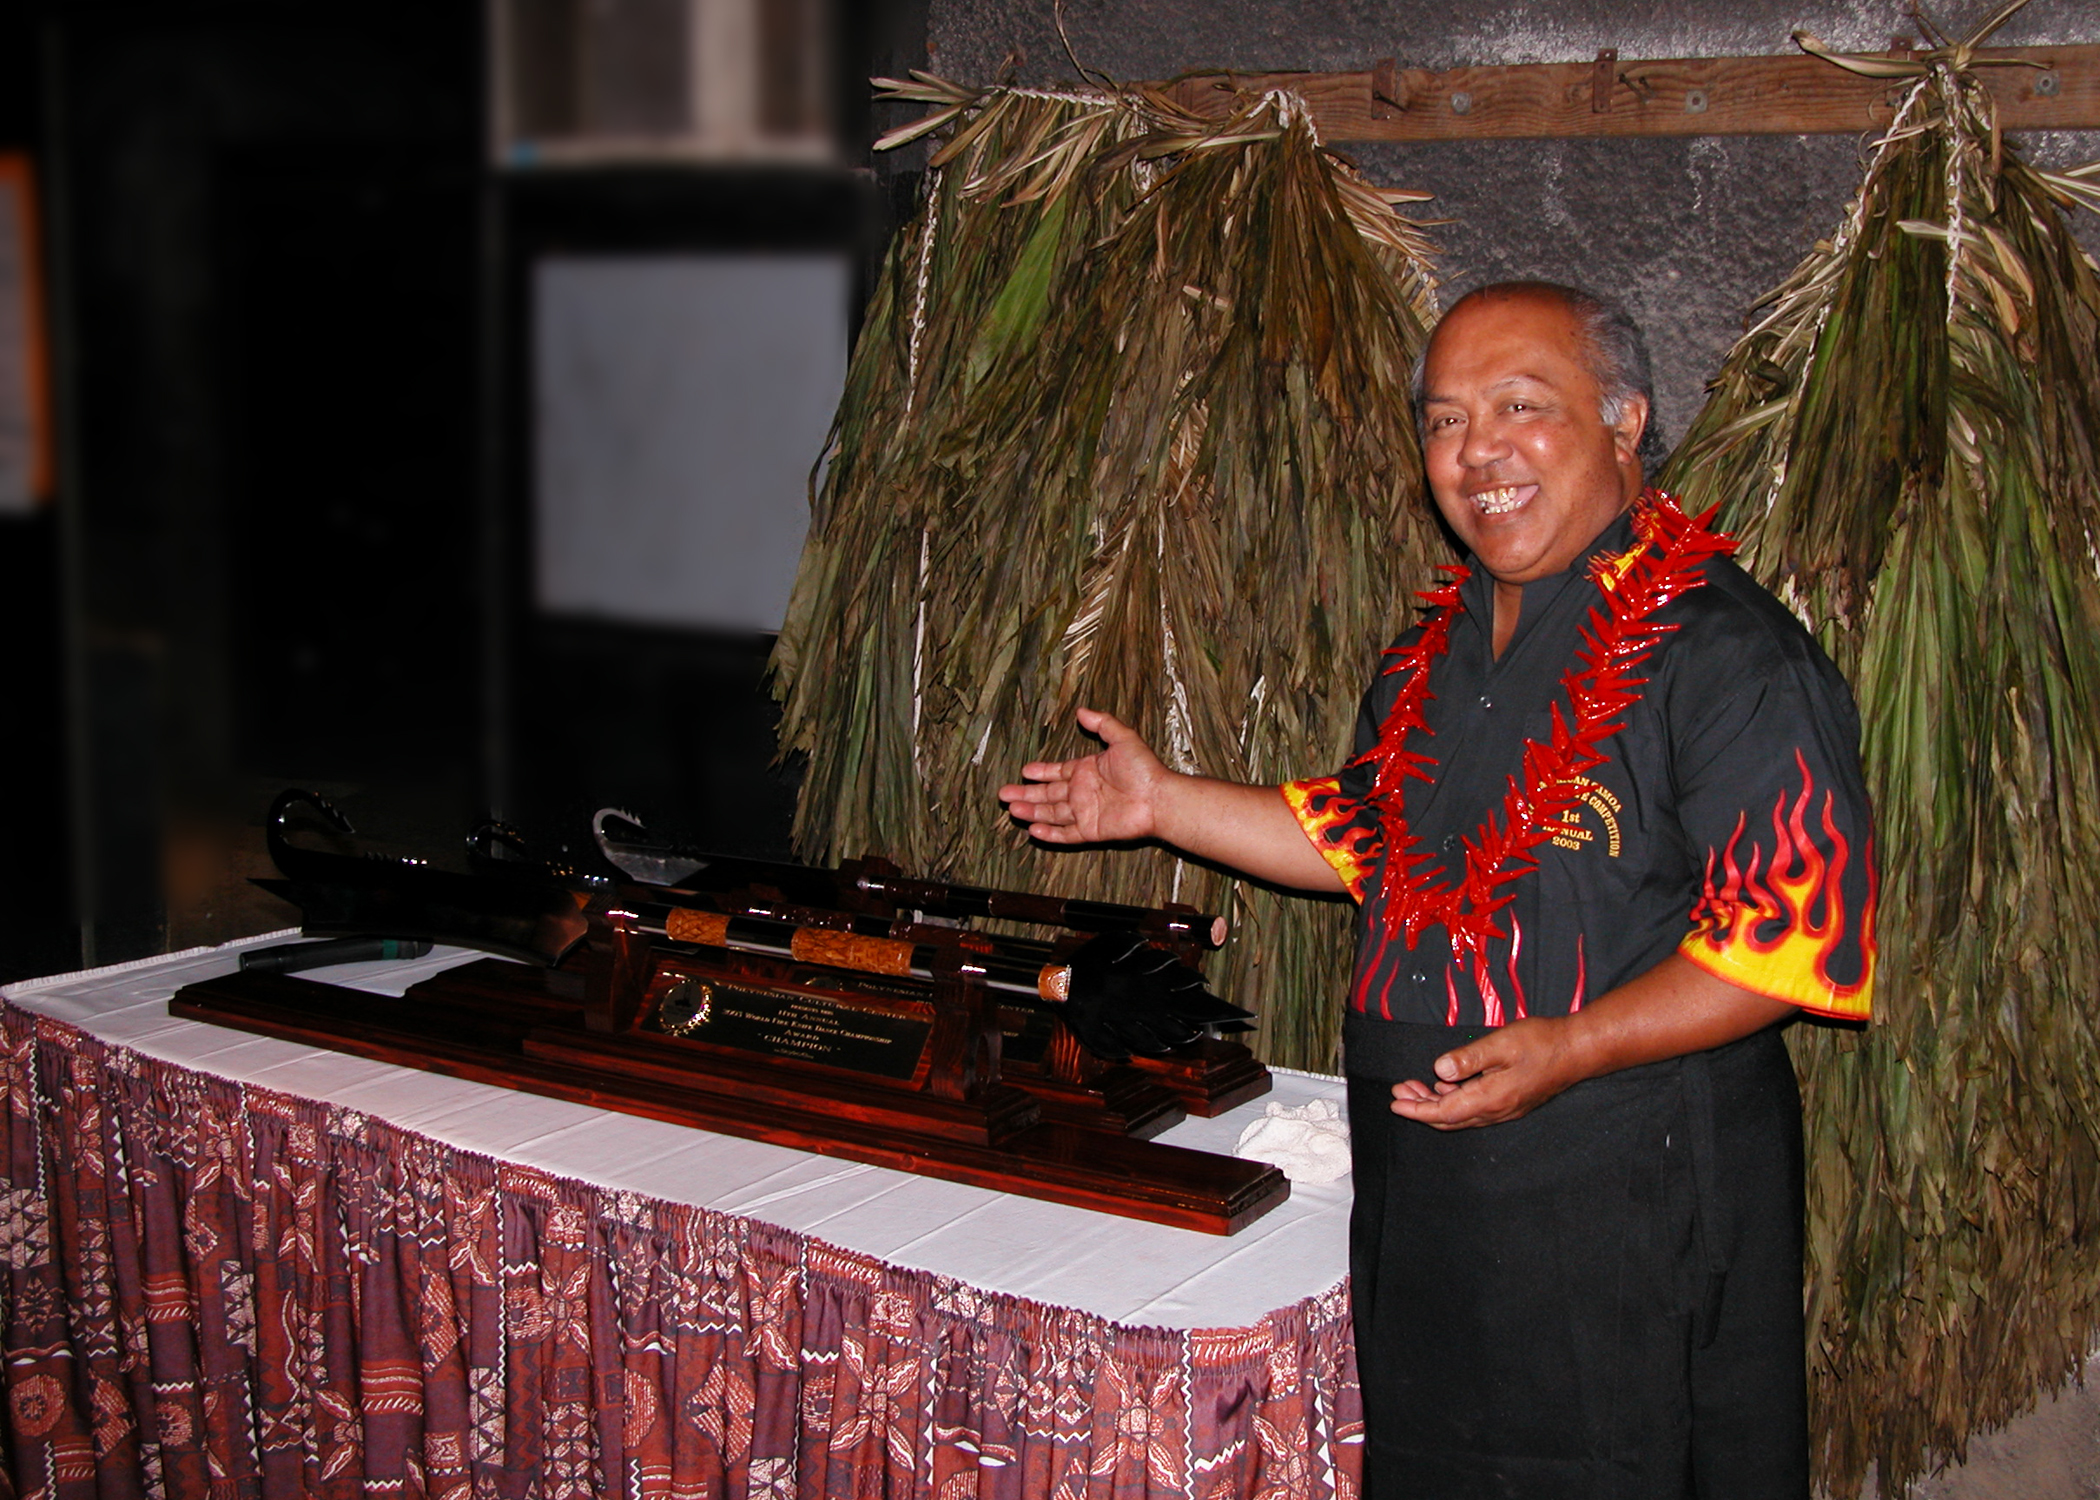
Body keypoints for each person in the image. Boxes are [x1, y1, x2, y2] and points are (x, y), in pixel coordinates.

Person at [999, 282, 1876, 1499]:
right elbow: (1376, 838)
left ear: (1625, 422)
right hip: (1436, 1192)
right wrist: (1162, 804)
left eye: (1523, 408)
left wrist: (1571, 1047)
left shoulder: (1726, 653)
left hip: (1625, 1192)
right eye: (1446, 421)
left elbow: (1793, 940)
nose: (1478, 454)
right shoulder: (1438, 648)